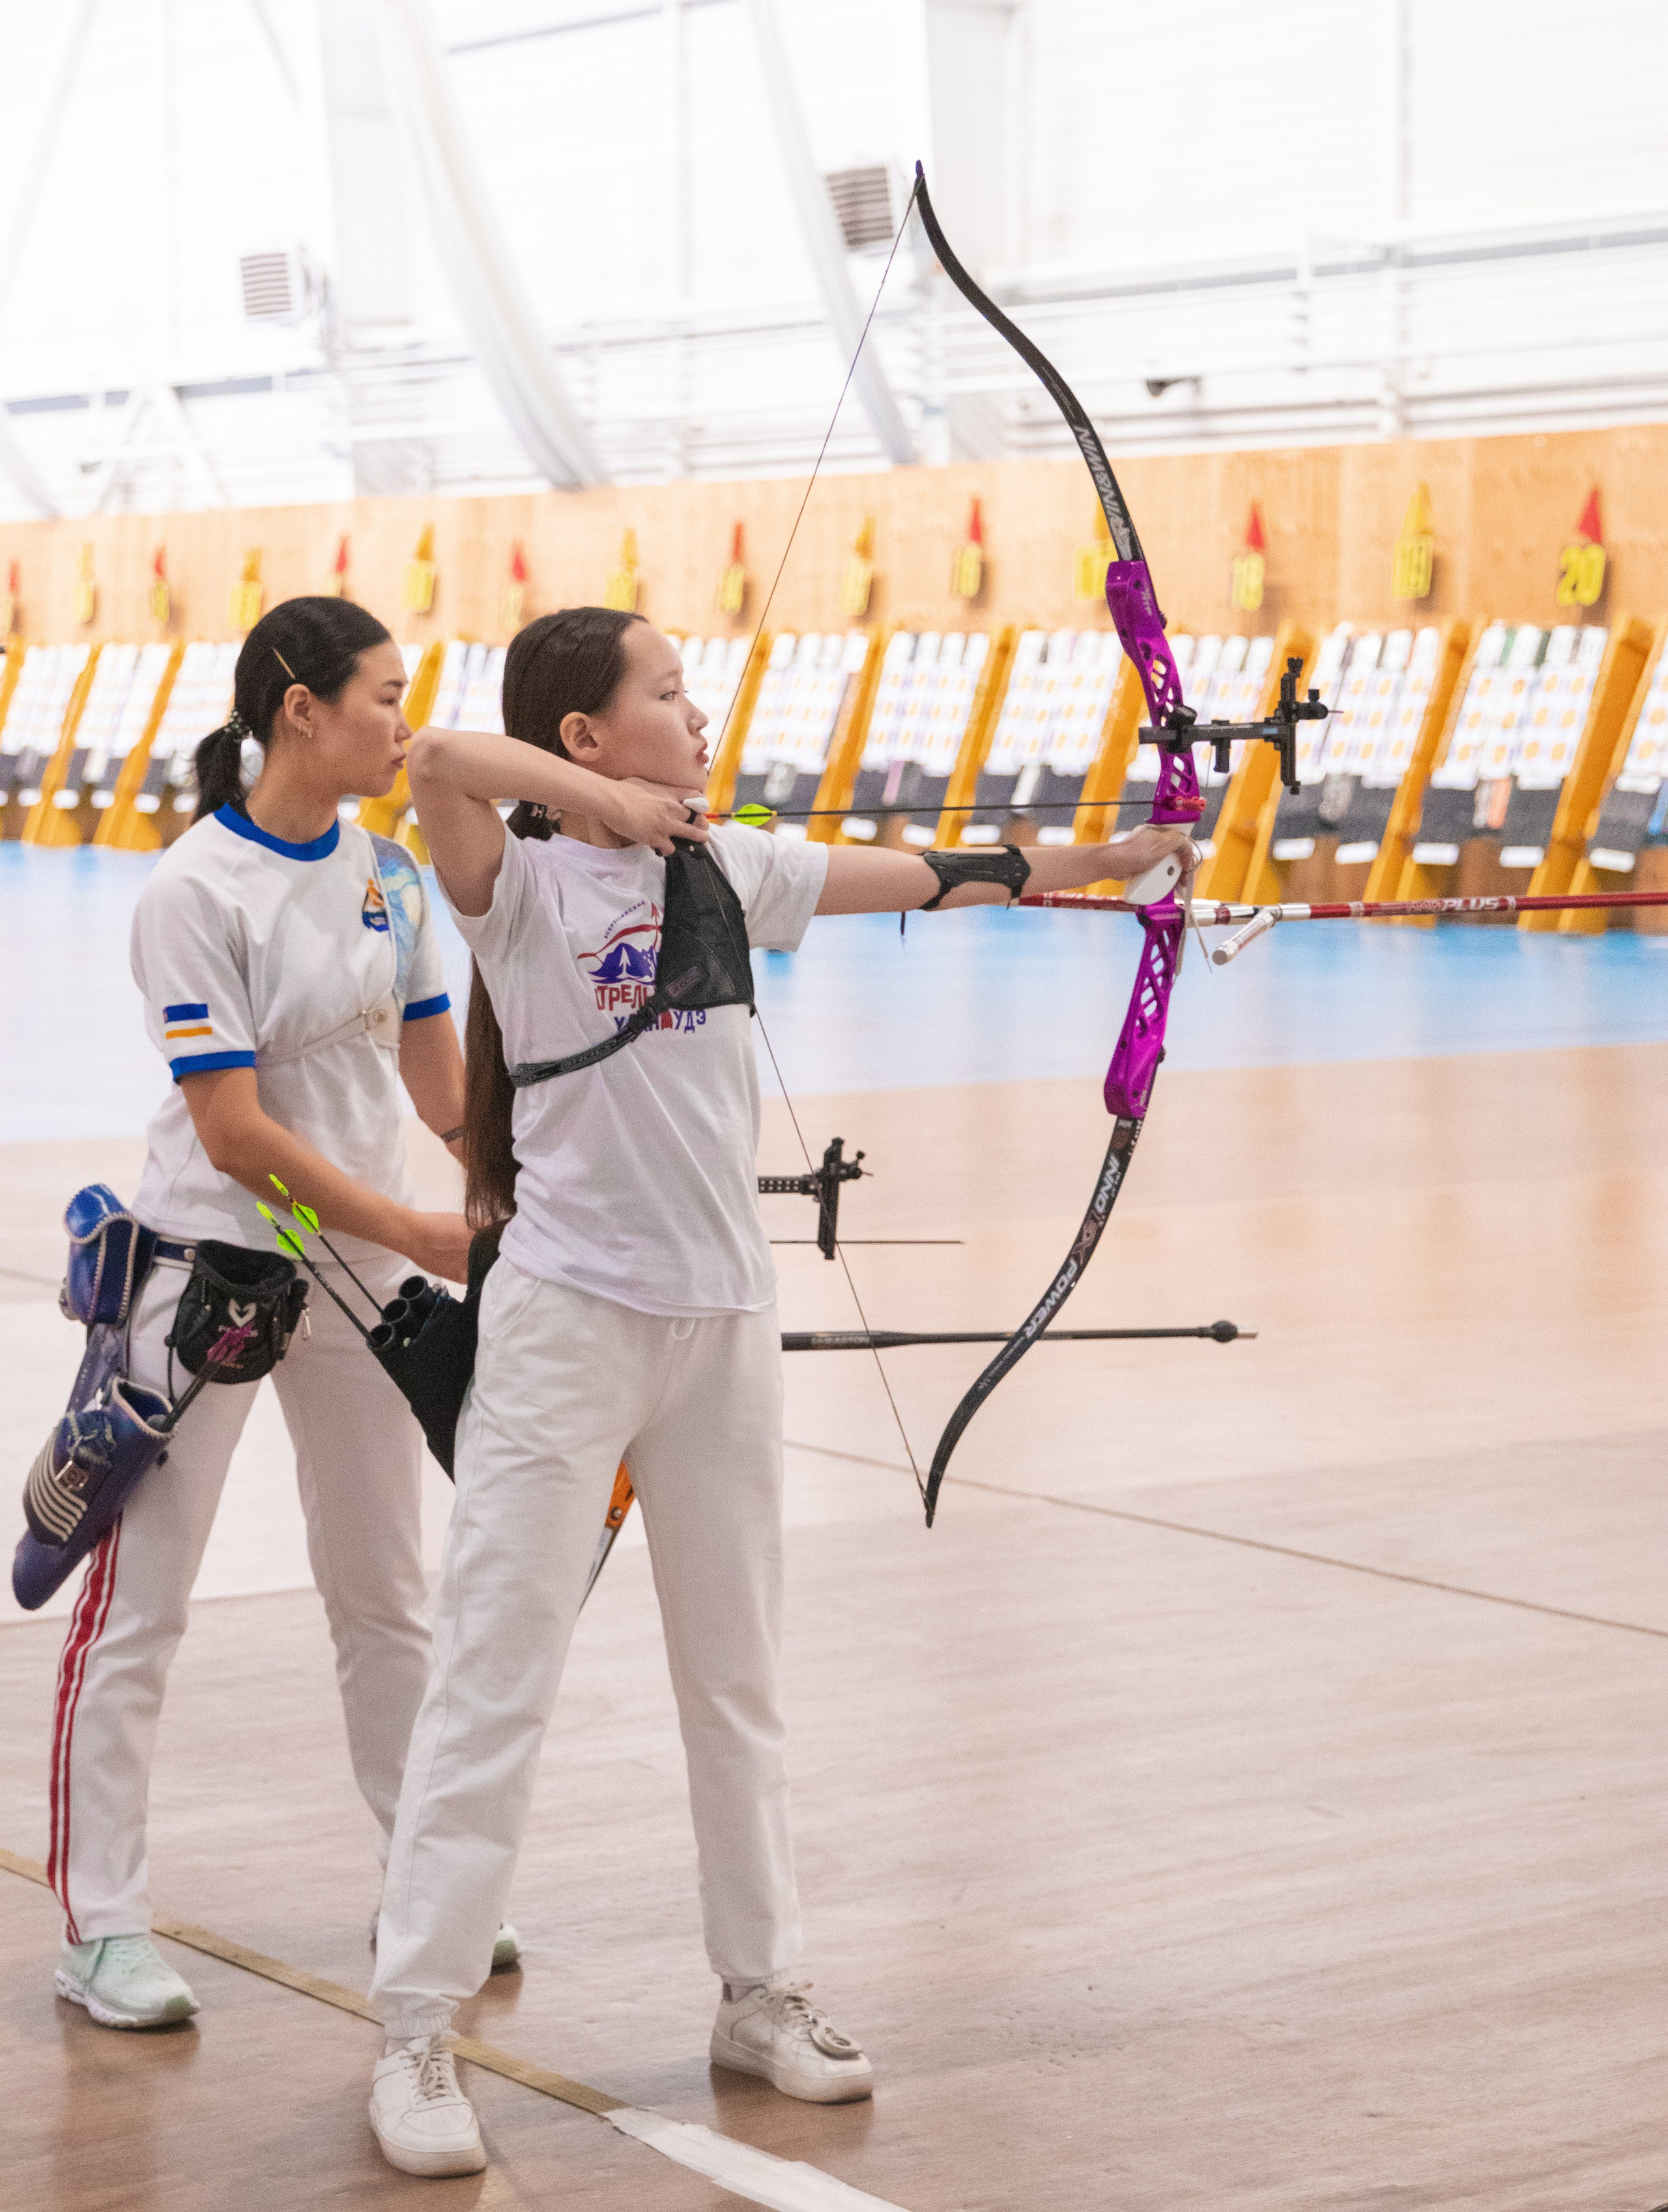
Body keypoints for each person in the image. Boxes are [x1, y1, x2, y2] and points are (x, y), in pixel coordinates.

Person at [364, 606, 1197, 2177]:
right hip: (563, 1330)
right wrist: (595, 808)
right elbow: (440, 766)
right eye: (665, 697)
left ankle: (760, 1993)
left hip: (719, 1333)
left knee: (735, 1682)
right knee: (494, 1679)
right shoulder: (522, 887)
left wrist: (1131, 854)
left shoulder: (730, 871)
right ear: (590, 739)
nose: (698, 713)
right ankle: (415, 2029)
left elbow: (945, 875)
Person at [49, 597, 487, 2033]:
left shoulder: (390, 876)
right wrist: (418, 1227)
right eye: (382, 694)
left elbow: (439, 1098)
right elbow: (232, 1132)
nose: (402, 722)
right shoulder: (195, 892)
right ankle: (101, 1925)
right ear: (300, 706)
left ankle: (420, 1889)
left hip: (360, 1281)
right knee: (141, 1610)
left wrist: (526, 1180)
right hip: (206, 1281)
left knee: (386, 1596)